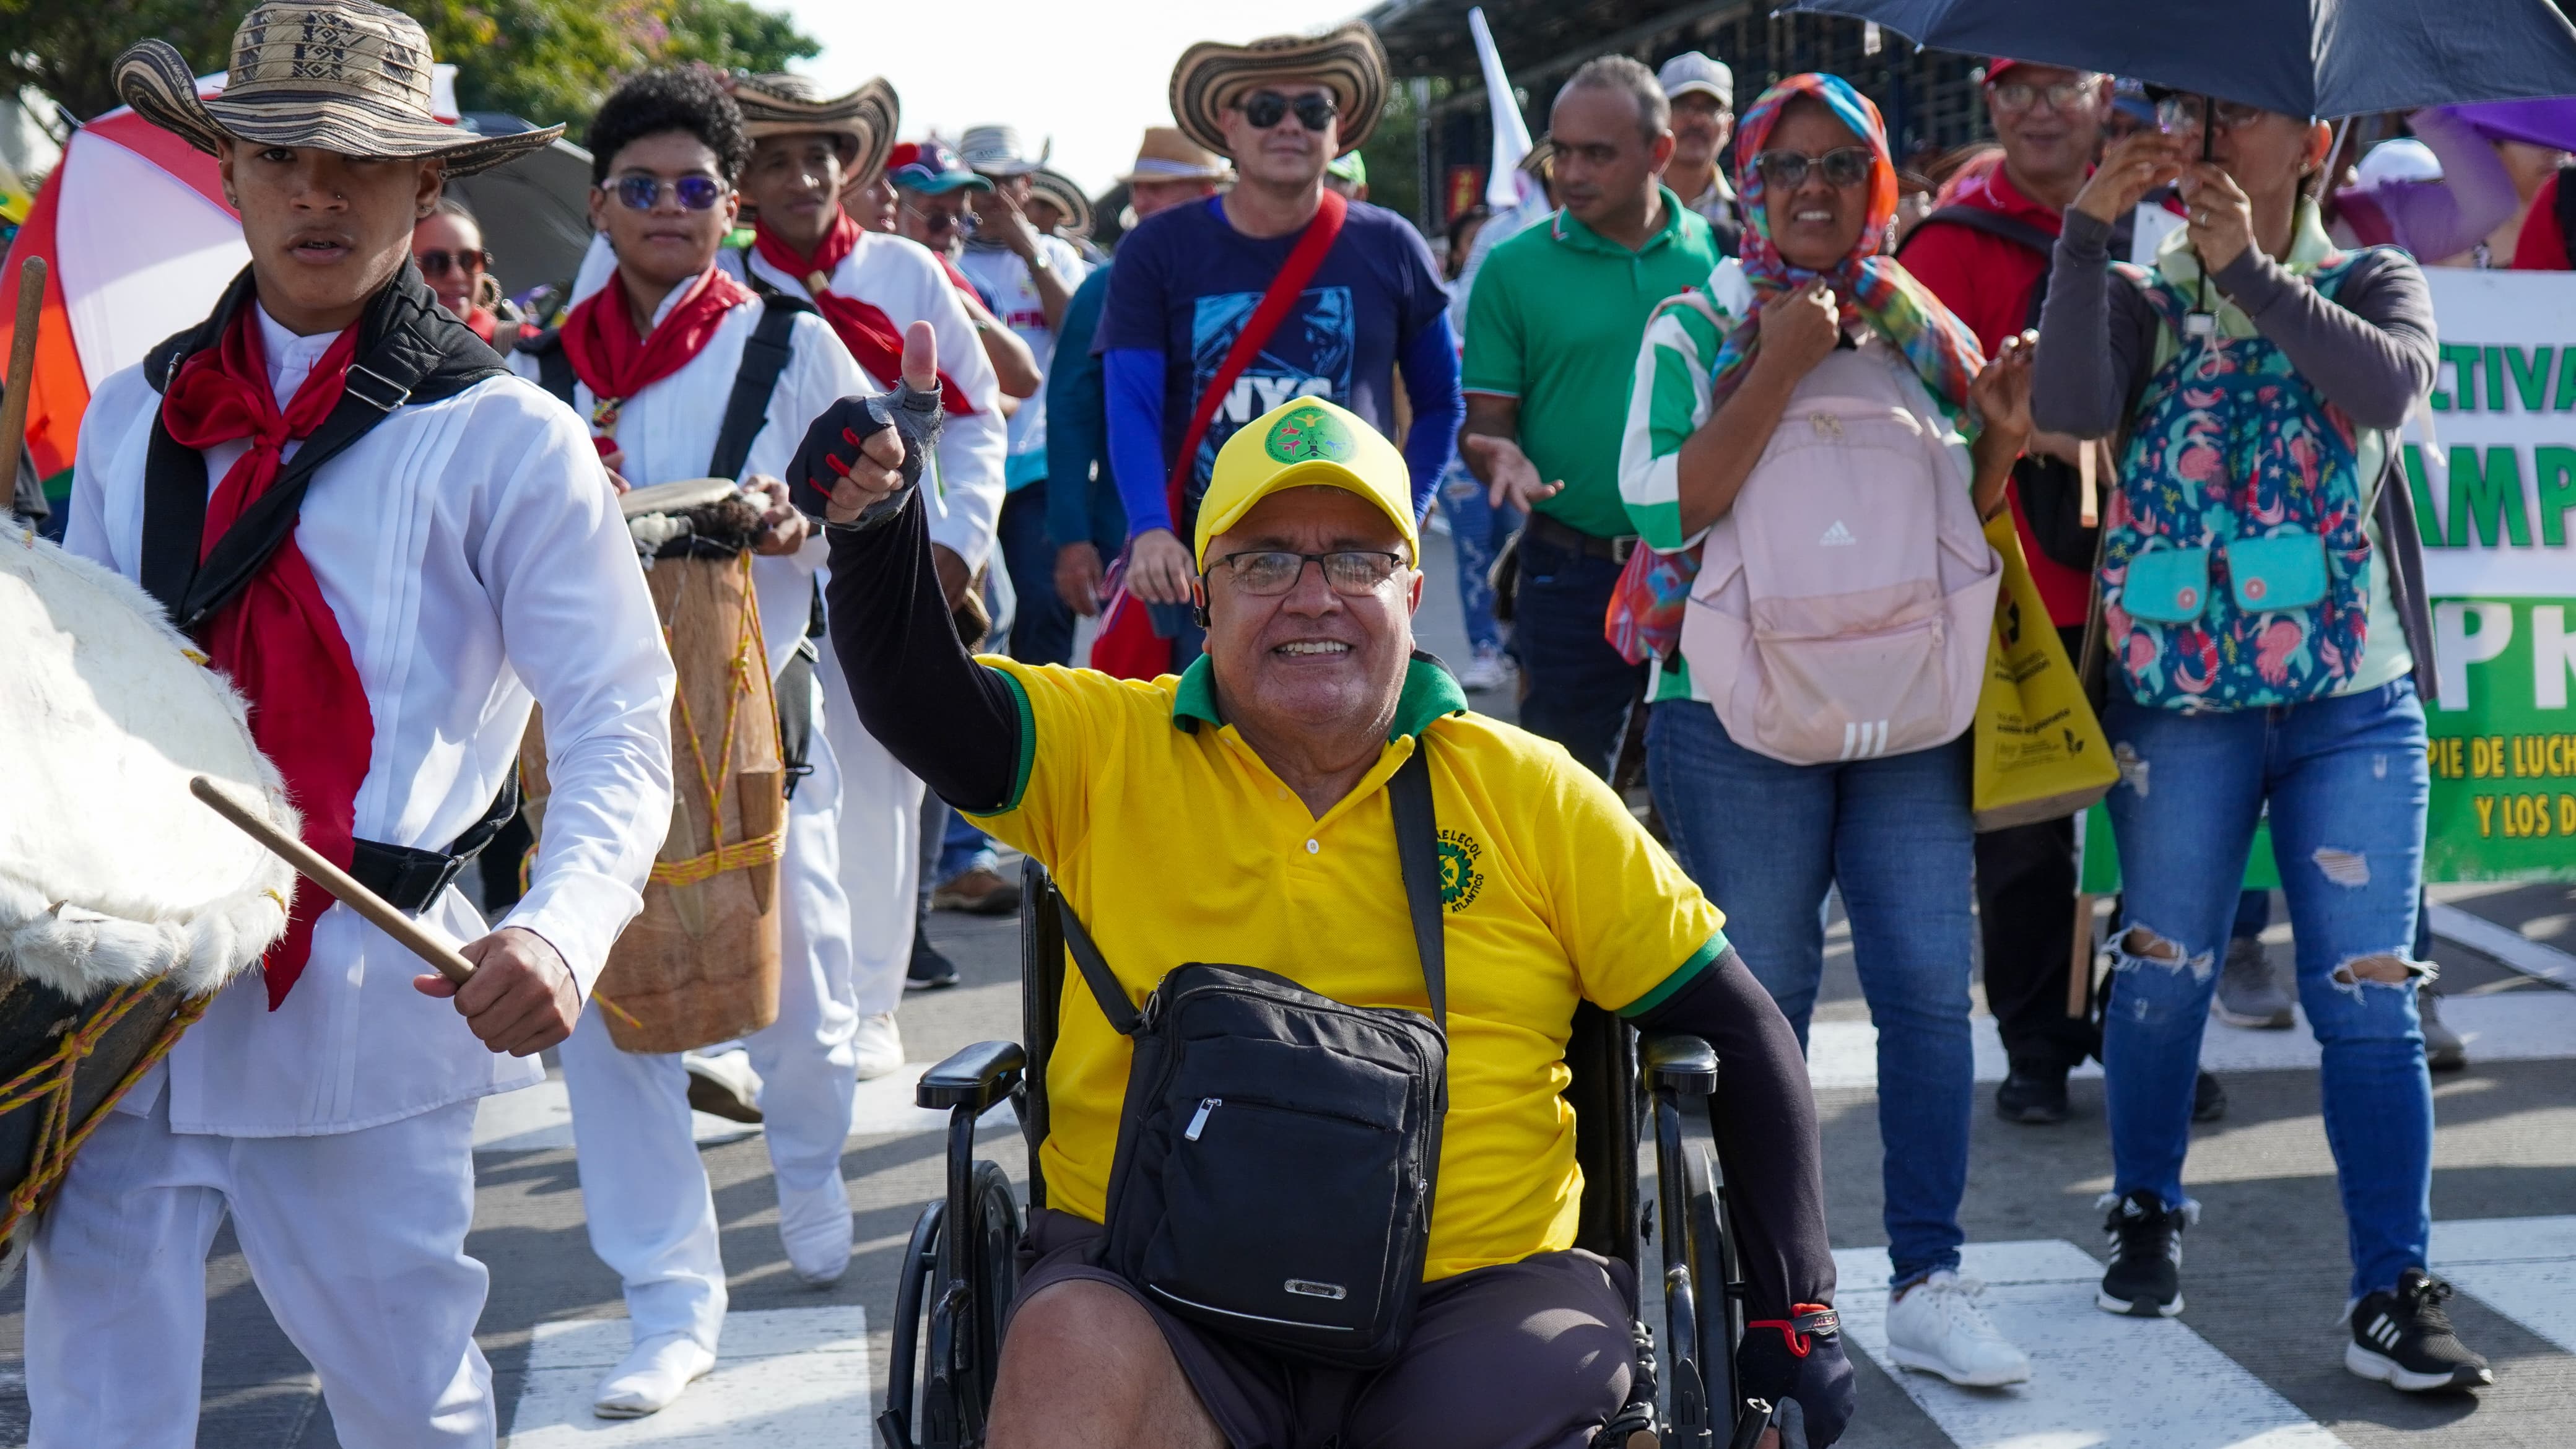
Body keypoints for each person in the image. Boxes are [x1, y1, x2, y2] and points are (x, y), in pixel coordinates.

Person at [805, 362, 1855, 1446]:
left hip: (1475, 1300)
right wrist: (880, 526)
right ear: (1203, 593)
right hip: (1158, 1291)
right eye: (1264, 562)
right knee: (1069, 1356)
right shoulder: (1102, 747)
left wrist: (1795, 1311)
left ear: (1410, 587)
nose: (1314, 596)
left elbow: (1740, 1030)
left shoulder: (1532, 790)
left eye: (1356, 558)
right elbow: (918, 694)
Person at [34, 7, 676, 1443]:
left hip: (368, 1001)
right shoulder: (140, 414)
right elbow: (89, 695)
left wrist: (564, 928)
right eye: (279, 155)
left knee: (408, 1404)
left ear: (426, 187)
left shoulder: (509, 438)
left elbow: (621, 714)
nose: (318, 190)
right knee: (92, 1403)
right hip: (130, 999)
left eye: (362, 161)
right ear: (230, 175)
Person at [2033, 91, 2491, 1392]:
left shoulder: (2369, 274)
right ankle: (2142, 1204)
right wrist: (2084, 237)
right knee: (2164, 971)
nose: (2215, 139)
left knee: (2369, 996)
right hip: (2179, 703)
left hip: (2353, 698)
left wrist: (2249, 270)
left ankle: (2391, 1288)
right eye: (2199, 117)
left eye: (2247, 118)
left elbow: (2388, 384)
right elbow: (2068, 409)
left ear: (2315, 144)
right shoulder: (2140, 292)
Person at [1619, 71, 2039, 1390]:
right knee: (1768, 1002)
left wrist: (2005, 443)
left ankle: (1928, 1277)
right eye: (1786, 165)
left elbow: (1961, 511)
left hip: (1903, 700)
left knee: (1923, 987)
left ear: (1877, 186)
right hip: (1732, 708)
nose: (1810, 189)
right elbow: (1659, 508)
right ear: (1749, 184)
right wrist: (1783, 362)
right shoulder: (1697, 322)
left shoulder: (1920, 324)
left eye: (1836, 168)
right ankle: (1774, 1292)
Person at [508, 66, 877, 1418]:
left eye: (697, 189)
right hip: (591, 733)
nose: (672, 209)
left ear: (729, 206)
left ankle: (811, 1166)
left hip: (752, 715)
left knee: (811, 1009)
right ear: (601, 206)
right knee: (611, 1026)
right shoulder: (535, 365)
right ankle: (671, 1302)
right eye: (643, 187)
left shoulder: (792, 341)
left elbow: (871, 495)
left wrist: (807, 521)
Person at [727, 72, 1014, 1030]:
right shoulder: (719, 281)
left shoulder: (904, 271)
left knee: (882, 778)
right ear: (745, 184)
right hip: (765, 566)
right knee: (759, 782)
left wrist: (962, 543)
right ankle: (769, 1005)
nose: (806, 177)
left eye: (820, 156)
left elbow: (976, 419)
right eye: (777, 161)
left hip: (889, 559)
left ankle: (872, 1007)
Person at [1102, 22, 1462, 676]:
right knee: (1206, 760)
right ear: (1228, 126)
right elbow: (1130, 403)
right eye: (1266, 109)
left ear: (1338, 127)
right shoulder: (1156, 250)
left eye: (1312, 109)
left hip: (1354, 570)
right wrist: (1150, 528)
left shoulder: (1390, 245)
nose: (1289, 126)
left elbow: (1441, 401)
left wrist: (1404, 517)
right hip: (1211, 564)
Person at [1899, 59, 2117, 1125]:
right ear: (1989, 107)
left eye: (2059, 86)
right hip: (2010, 588)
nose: (2038, 107)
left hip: (2150, 589)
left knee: (2149, 839)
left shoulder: (2166, 222)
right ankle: (2035, 1045)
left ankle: (2140, 1028)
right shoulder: (1944, 244)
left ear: (2103, 98)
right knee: (2024, 840)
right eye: (2014, 89)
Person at [1460, 54, 1724, 780]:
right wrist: (1496, 454)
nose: (1570, 172)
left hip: (1709, 570)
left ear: (1659, 152)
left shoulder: (1722, 260)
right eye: (1561, 151)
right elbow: (1486, 421)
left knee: (1707, 802)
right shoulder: (1512, 270)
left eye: (1596, 154)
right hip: (1570, 576)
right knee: (1566, 804)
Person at [1048, 128, 1229, 624]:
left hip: (1241, 526)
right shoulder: (1105, 287)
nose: (1141, 200)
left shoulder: (1244, 279)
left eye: (1159, 187)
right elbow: (1069, 413)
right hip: (1134, 531)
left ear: (1206, 194)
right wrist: (1072, 537)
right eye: (1137, 187)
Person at [959, 124, 1090, 667]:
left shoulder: (1055, 256)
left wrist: (1029, 252)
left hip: (1038, 465)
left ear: (1027, 184)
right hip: (966, 457)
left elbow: (1077, 336)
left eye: (1005, 181)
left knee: (1043, 602)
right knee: (975, 605)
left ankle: (1045, 721)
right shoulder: (949, 256)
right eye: (981, 182)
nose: (993, 196)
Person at [887, 138, 1046, 401]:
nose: (952, 228)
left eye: (961, 216)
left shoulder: (978, 292)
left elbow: (1020, 386)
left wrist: (954, 299)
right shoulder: (857, 278)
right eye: (937, 216)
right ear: (893, 210)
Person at [1434, 201, 1518, 692]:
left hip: (1517, 454)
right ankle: (1485, 649)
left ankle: (1514, 644)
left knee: (1515, 549)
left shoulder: (1520, 311)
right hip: (1457, 459)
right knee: (1472, 551)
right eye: (1476, 244)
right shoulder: (1441, 309)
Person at [1658, 51, 1743, 253]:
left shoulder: (1752, 213)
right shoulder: (1626, 205)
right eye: (1682, 106)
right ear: (1657, 119)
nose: (1696, 120)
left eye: (1710, 108)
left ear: (1728, 128)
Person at [412, 194, 518, 345]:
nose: (456, 276)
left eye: (470, 260)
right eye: (434, 262)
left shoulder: (525, 349)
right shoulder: (372, 349)